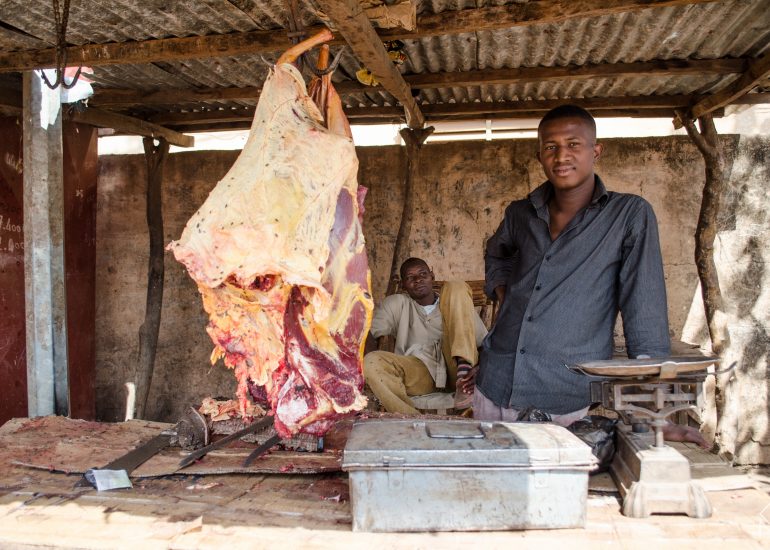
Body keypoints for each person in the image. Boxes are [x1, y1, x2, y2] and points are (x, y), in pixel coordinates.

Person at [470, 104, 708, 448]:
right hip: (494, 383)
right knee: (490, 490)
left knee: (554, 495)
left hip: (563, 397)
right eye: (551, 146)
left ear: (596, 151)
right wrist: (504, 292)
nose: (562, 155)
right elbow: (497, 251)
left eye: (573, 144)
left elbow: (644, 305)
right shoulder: (520, 213)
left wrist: (650, 407)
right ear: (540, 155)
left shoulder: (628, 215)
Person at [364, 257, 487, 414]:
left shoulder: (455, 300)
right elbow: (368, 335)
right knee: (370, 362)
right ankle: (410, 418)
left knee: (456, 286)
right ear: (403, 285)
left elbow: (484, 345)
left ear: (432, 276)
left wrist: (480, 370)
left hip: (457, 371)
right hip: (419, 373)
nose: (418, 280)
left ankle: (463, 371)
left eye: (423, 274)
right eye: (410, 277)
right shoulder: (397, 303)